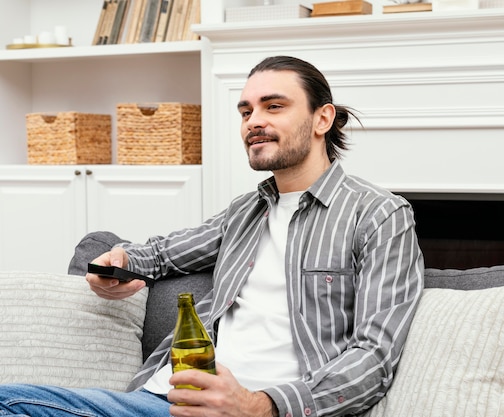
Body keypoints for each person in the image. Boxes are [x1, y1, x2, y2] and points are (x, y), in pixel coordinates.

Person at [0, 56, 423, 417]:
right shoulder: (246, 211)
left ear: (322, 118)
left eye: (273, 106)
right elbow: (162, 254)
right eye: (245, 111)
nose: (254, 122)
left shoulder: (379, 214)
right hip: (161, 399)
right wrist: (118, 265)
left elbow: (374, 358)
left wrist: (259, 405)